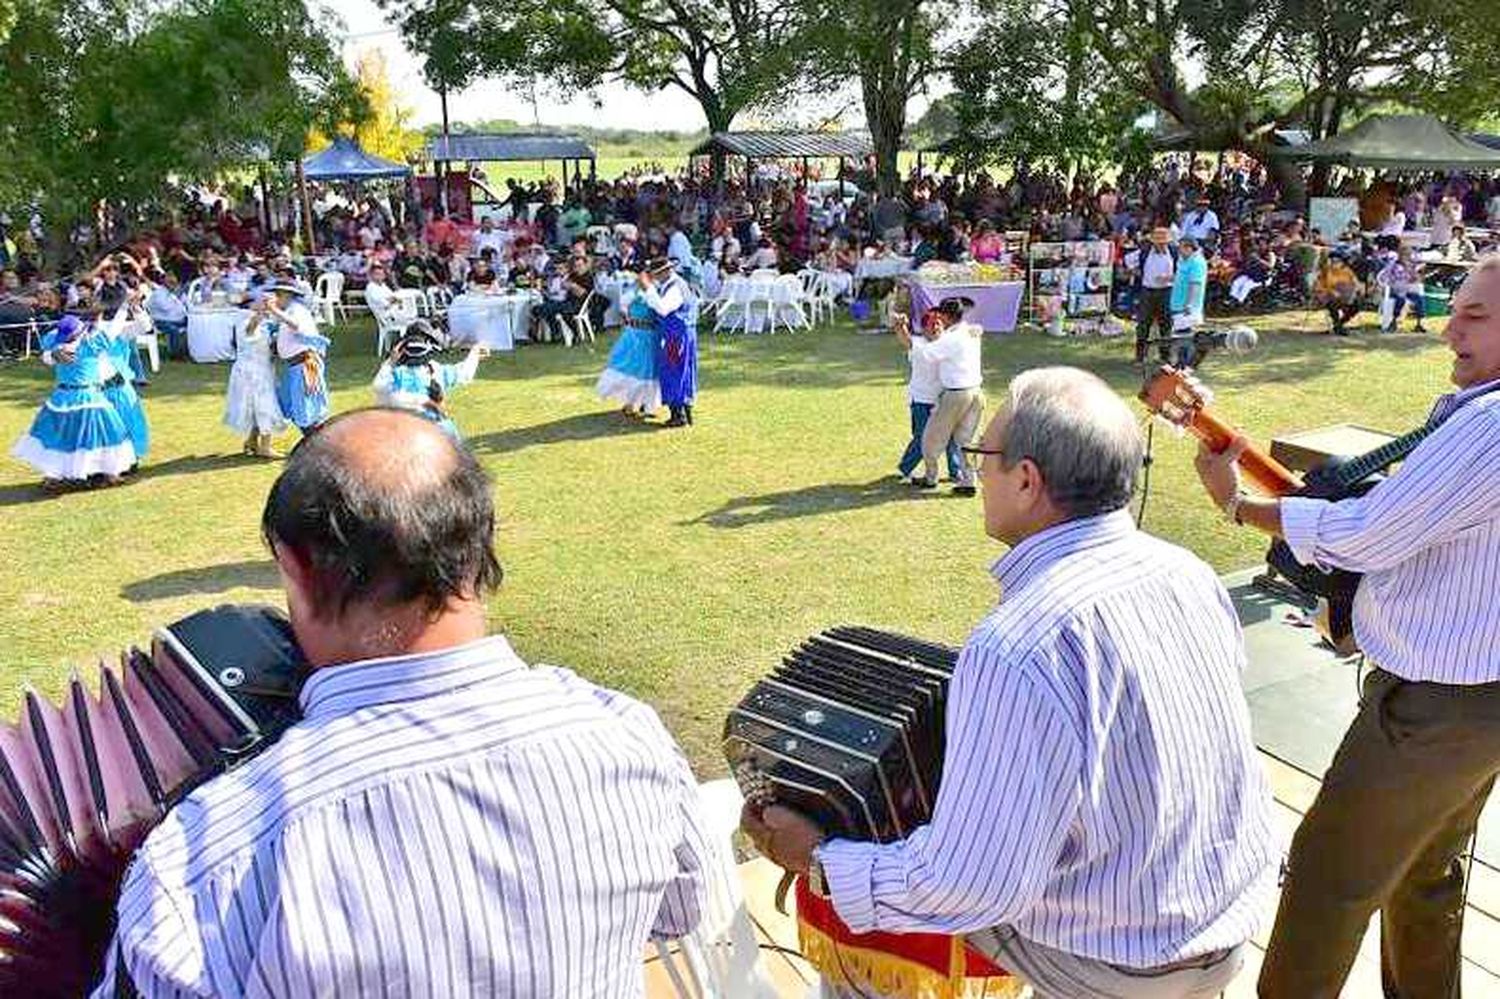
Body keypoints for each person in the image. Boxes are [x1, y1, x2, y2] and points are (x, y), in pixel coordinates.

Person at [93, 407, 711, 997]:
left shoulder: (203, 862)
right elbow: (681, 909)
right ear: (480, 548)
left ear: (296, 569)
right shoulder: (628, 738)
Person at [745, 367, 1277, 999]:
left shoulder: (1021, 644)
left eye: (983, 458)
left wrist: (819, 862)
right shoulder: (1186, 573)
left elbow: (970, 886)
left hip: (1117, 961)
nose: (978, 477)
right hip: (1219, 925)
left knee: (867, 945)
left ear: (1026, 480)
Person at [1191, 255, 1500, 998]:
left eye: (1476, 316)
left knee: (1328, 875)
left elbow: (1370, 533)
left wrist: (1239, 506)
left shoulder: (1489, 421)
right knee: (1424, 871)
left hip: (1433, 706)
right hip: (1472, 703)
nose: (1448, 329)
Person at [10, 314, 137, 490]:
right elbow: (114, 328)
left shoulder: (57, 347)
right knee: (104, 435)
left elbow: (48, 352)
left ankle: (55, 476)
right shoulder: (91, 345)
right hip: (88, 398)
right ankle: (108, 474)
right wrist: (122, 307)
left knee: (61, 437)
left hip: (64, 397)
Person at [912, 297, 983, 495]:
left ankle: (930, 477)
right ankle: (969, 481)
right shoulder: (969, 331)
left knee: (931, 438)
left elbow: (927, 354)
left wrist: (915, 339)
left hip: (956, 393)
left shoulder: (951, 338)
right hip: (976, 391)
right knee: (965, 441)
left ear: (945, 316)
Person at [372, 322, 485, 437]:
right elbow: (465, 373)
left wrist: (390, 362)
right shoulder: (437, 371)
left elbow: (379, 387)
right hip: (437, 432)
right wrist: (474, 353)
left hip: (403, 434)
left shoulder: (393, 375)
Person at [892, 309, 961, 484]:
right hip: (921, 400)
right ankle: (905, 469)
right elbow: (905, 339)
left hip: (944, 399)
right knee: (922, 437)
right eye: (931, 325)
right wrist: (900, 325)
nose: (936, 328)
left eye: (938, 325)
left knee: (951, 435)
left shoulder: (947, 343)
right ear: (924, 329)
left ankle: (956, 471)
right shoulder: (918, 344)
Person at [224, 287, 290, 459]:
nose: (266, 303)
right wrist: (261, 313)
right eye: (261, 301)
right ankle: (265, 447)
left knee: (257, 407)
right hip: (251, 371)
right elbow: (249, 331)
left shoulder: (266, 322)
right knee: (264, 405)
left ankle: (252, 441)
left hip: (262, 368)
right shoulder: (245, 319)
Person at [264, 280, 332, 435]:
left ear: (286, 295)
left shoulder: (297, 311)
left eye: (278, 295)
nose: (275, 298)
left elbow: (295, 325)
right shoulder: (290, 310)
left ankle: (315, 441)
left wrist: (274, 310)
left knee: (306, 407)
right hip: (295, 365)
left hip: (304, 365)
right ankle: (313, 439)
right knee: (292, 404)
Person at [642, 257, 697, 427]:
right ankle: (684, 411)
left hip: (676, 335)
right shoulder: (675, 284)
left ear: (665, 272)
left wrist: (649, 289)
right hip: (679, 332)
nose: (655, 278)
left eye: (656, 275)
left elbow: (663, 309)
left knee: (673, 371)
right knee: (682, 371)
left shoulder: (674, 288)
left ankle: (678, 415)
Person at [596, 277, 662, 419]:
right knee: (630, 368)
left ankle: (647, 405)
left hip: (651, 335)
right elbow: (623, 305)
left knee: (649, 369)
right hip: (635, 334)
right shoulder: (634, 290)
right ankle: (630, 402)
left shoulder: (657, 289)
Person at [1135, 226, 1177, 363]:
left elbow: (1181, 273)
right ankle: (1140, 356)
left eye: (1163, 243)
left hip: (1166, 291)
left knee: (1166, 324)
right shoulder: (1145, 252)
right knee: (1143, 324)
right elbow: (1132, 264)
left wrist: (1169, 278)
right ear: (1153, 243)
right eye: (1158, 243)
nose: (1161, 246)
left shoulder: (1174, 252)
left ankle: (1165, 357)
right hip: (1147, 290)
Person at [1167, 236, 1208, 366]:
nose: (1179, 250)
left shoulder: (1197, 262)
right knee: (1180, 335)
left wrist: (1189, 304)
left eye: (1182, 247)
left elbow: (1195, 284)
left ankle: (1184, 365)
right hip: (1178, 304)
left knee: (1184, 337)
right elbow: (1180, 277)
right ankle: (1182, 363)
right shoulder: (1183, 260)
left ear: (1190, 248)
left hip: (1187, 307)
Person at [1314, 250, 1363, 336]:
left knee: (1357, 305)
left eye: (1337, 261)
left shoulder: (1347, 271)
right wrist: (1331, 291)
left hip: (1344, 297)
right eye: (1332, 261)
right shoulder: (1326, 271)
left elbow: (1355, 282)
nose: (1334, 263)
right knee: (1332, 303)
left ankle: (1339, 324)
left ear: (1342, 262)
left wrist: (1357, 288)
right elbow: (1320, 286)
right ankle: (1338, 326)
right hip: (1327, 295)